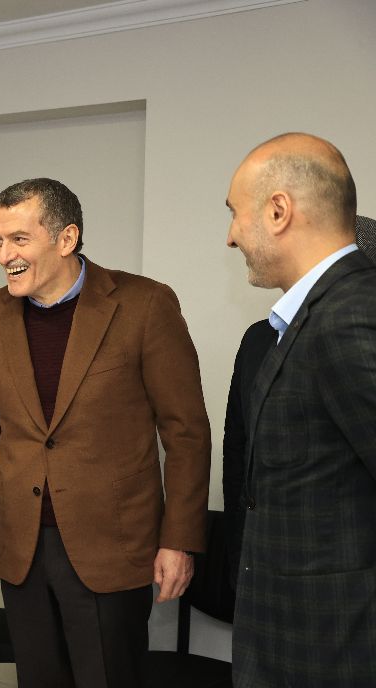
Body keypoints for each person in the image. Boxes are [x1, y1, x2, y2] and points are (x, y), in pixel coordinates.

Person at [0, 178, 211, 688]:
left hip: (111, 545)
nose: (4, 255)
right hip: (23, 547)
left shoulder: (144, 305)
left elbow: (186, 433)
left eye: (19, 239)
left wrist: (179, 541)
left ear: (66, 239)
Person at [224, 133, 376, 686]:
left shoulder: (350, 314)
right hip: (290, 641)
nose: (230, 235)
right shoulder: (309, 317)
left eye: (235, 213)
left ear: (278, 210)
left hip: (332, 650)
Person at [222, 213, 376, 588]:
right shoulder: (258, 340)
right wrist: (237, 544)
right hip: (259, 561)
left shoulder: (360, 340)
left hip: (341, 575)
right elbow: (238, 448)